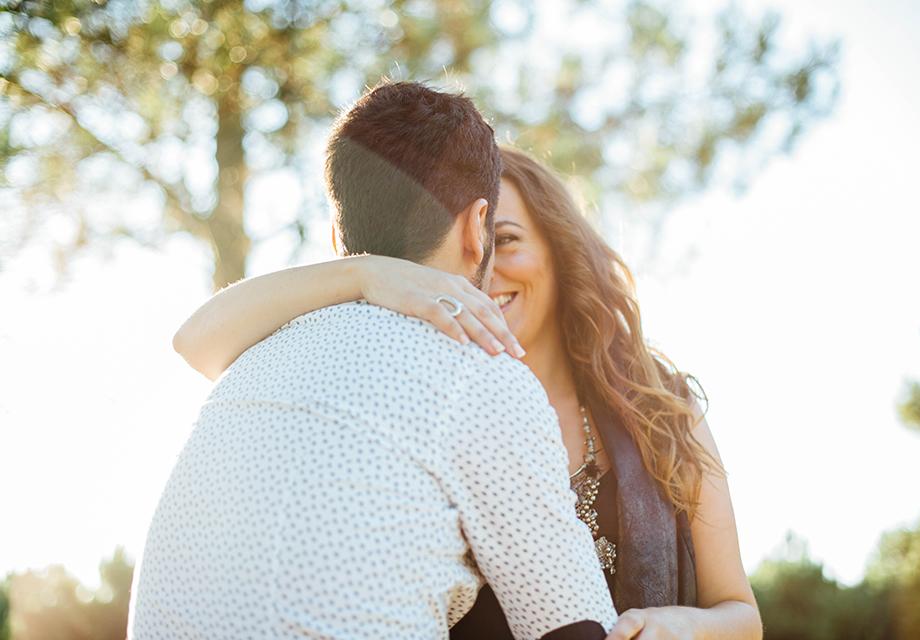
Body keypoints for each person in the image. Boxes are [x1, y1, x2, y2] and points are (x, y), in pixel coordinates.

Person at [173, 147, 764, 639]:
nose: (484, 265)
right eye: (473, 243)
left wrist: (683, 626)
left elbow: (742, 614)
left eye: (506, 240)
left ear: (560, 250)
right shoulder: (408, 382)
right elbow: (197, 342)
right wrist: (360, 273)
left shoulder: (663, 410)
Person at [128, 82, 619, 640]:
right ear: (475, 226)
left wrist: (358, 275)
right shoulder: (481, 372)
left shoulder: (255, 351)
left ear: (338, 237)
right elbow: (573, 629)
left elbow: (194, 341)